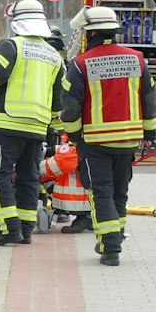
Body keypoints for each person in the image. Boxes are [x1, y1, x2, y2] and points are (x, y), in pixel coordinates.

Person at [59, 6, 156, 267]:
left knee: (101, 193)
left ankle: (110, 247)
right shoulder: (137, 59)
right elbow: (148, 98)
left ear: (89, 34)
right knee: (119, 192)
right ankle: (115, 237)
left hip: (95, 142)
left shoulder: (80, 64)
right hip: (128, 141)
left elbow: (69, 109)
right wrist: (149, 133)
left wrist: (73, 136)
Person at [0, 0, 61, 246]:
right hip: (38, 127)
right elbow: (60, 101)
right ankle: (26, 230)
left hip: (7, 123)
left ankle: (10, 229)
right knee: (29, 178)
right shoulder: (54, 56)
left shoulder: (11, 47)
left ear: (16, 21)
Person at [47, 17, 95, 234]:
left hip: (56, 128)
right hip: (62, 127)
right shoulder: (66, 62)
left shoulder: (52, 61)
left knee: (69, 168)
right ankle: (66, 211)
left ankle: (77, 213)